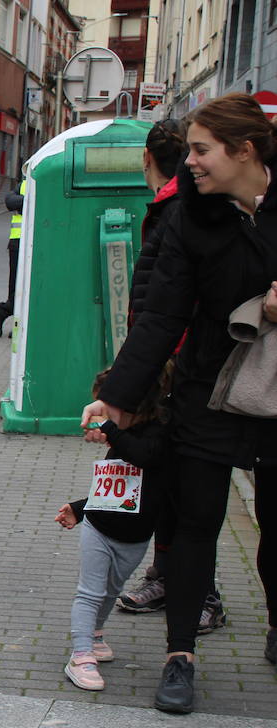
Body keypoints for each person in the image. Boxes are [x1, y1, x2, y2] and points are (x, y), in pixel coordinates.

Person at [82, 94, 277, 714]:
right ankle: (180, 655)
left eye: (200, 150)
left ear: (243, 150)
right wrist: (119, 397)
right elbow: (162, 313)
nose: (187, 162)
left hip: (275, 394)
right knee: (194, 526)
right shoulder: (191, 217)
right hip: (207, 391)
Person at [114, 119, 228, 630]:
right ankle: (169, 577)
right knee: (164, 477)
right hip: (162, 365)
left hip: (182, 369)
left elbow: (173, 304)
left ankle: (201, 593)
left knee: (187, 485)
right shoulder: (172, 206)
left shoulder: (186, 208)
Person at [57, 366, 171, 691]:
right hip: (99, 526)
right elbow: (112, 487)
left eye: (109, 407)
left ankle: (95, 636)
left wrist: (111, 429)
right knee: (90, 591)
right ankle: (80, 656)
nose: (103, 414)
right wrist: (80, 509)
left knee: (111, 590)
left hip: (135, 535)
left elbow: (146, 457)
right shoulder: (120, 435)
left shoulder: (157, 433)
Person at [0, 180, 24, 338]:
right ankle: (5, 314)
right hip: (18, 243)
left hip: (40, 243)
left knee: (30, 288)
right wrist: (33, 199)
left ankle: (5, 313)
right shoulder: (23, 184)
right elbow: (10, 201)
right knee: (16, 287)